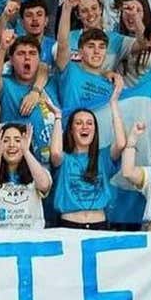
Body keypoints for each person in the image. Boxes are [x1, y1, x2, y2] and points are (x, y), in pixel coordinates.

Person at [49, 79, 128, 230]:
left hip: (99, 225)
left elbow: (121, 143)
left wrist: (113, 104)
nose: (85, 127)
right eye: (78, 123)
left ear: (95, 130)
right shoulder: (64, 159)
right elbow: (55, 152)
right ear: (71, 131)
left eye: (90, 123)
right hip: (68, 225)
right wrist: (58, 117)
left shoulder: (103, 157)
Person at [0, 122, 52, 229]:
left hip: (30, 239)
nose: (11, 145)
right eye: (5, 141)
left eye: (18, 140)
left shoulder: (38, 172)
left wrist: (26, 152)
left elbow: (44, 185)